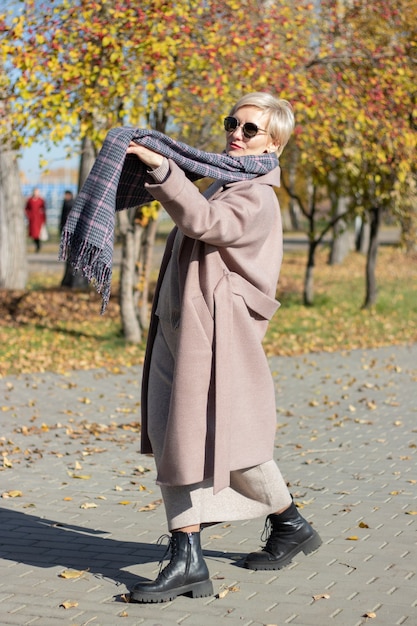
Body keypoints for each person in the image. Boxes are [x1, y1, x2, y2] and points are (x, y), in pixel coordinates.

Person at [124, 92, 322, 604]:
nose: (236, 132)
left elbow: (207, 225)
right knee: (205, 436)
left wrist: (165, 171)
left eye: (250, 128)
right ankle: (290, 524)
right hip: (188, 327)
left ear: (274, 144)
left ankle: (187, 557)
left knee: (185, 435)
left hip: (213, 334)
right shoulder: (226, 181)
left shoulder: (254, 194)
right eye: (232, 122)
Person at [24, 187, 46, 253]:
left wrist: (44, 219)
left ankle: (38, 246)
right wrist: (29, 215)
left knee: (38, 233)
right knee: (33, 234)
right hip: (32, 219)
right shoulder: (29, 200)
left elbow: (44, 210)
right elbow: (26, 209)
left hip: (39, 219)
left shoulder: (41, 200)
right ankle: (37, 245)